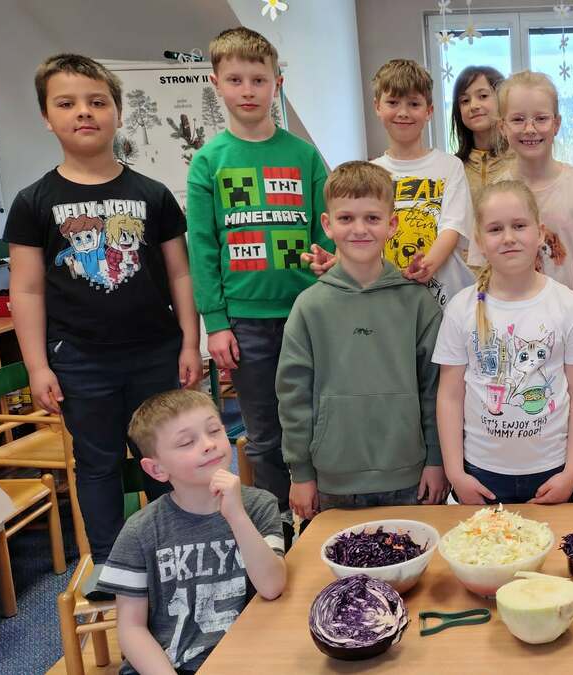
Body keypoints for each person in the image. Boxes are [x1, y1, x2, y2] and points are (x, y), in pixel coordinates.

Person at [5, 54, 202, 600]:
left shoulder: (153, 194)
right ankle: (116, 567)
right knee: (96, 465)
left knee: (169, 457)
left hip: (155, 351)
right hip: (79, 358)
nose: (83, 113)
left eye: (97, 102)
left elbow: (180, 273)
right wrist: (37, 366)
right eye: (66, 103)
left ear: (117, 111)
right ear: (47, 117)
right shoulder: (33, 202)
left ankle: (178, 553)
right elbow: (26, 290)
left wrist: (191, 341)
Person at [187, 27, 331, 545]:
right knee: (266, 434)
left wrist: (329, 261)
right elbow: (203, 249)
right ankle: (278, 529)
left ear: (277, 84)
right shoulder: (209, 161)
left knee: (319, 420)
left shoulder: (304, 157)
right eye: (235, 80)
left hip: (308, 313)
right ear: (216, 83)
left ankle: (328, 520)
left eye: (258, 79)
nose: (247, 90)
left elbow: (325, 230)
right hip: (245, 321)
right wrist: (215, 323)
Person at [466, 71, 573, 502]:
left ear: (557, 123)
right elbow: (481, 266)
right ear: (502, 126)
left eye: (540, 118)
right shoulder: (493, 192)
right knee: (522, 408)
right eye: (518, 119)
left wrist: (571, 323)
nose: (530, 128)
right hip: (510, 334)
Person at [276, 161, 447, 518]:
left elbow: (435, 389)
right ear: (328, 224)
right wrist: (301, 473)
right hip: (333, 480)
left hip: (410, 476)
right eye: (346, 218)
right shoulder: (310, 306)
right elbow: (293, 397)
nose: (359, 229)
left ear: (391, 224)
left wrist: (436, 459)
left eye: (372, 218)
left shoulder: (418, 303)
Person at [435, 180, 573, 504]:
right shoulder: (459, 309)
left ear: (540, 233)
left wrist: (572, 473)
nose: (509, 237)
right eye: (495, 229)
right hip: (480, 473)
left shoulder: (571, 307)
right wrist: (455, 474)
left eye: (519, 226)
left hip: (551, 471)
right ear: (480, 241)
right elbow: (450, 396)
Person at [97, 389, 286, 674]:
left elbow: (272, 587)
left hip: (247, 661)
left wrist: (236, 516)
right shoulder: (139, 531)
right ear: (157, 469)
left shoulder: (259, 506)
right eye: (187, 442)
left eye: (214, 430)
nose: (208, 444)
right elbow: (131, 629)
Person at [368, 59, 475, 308]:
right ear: (377, 107)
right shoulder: (371, 172)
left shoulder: (450, 166)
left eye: (414, 104)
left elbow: (452, 228)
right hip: (388, 296)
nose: (403, 112)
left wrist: (426, 265)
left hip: (445, 299)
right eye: (393, 103)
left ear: (429, 111)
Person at [450, 65, 515, 201]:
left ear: (503, 99)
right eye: (465, 101)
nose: (473, 106)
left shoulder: (521, 162)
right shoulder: (453, 167)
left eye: (483, 96)